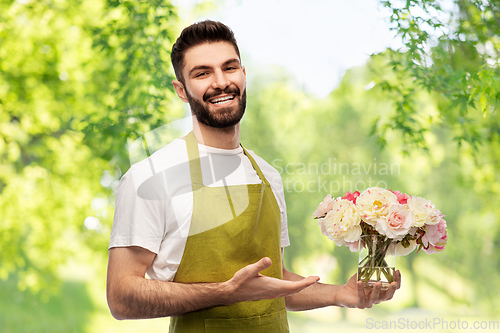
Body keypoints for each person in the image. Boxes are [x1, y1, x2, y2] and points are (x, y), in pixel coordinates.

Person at [106, 20, 401, 332]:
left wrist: (340, 294)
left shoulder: (268, 176)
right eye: (202, 73)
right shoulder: (150, 178)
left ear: (243, 76)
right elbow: (122, 297)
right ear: (181, 90)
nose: (220, 82)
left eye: (229, 68)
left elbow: (274, 283)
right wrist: (225, 293)